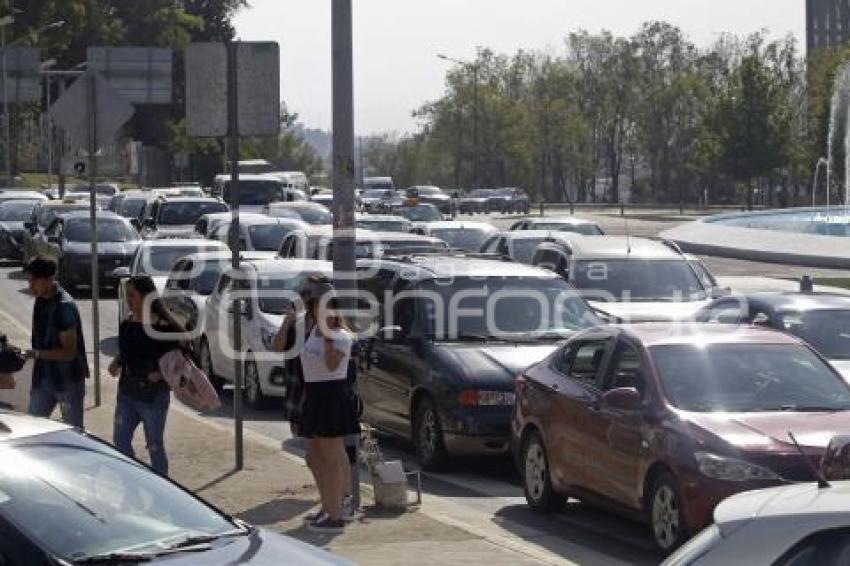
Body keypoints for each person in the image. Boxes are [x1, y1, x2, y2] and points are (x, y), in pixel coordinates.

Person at [273, 277, 358, 533]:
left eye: (328, 308)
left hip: (331, 398)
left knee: (332, 458)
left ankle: (336, 514)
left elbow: (332, 365)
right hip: (314, 396)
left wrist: (329, 333)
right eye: (318, 308)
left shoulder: (341, 336)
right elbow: (286, 351)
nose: (323, 314)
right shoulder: (312, 331)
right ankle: (327, 506)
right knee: (314, 456)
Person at [109, 275, 182, 476]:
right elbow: (127, 353)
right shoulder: (127, 325)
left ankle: (162, 488)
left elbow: (180, 359)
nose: (128, 301)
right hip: (127, 393)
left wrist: (160, 374)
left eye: (132, 295)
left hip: (153, 397)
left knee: (154, 446)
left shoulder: (163, 327)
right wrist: (116, 362)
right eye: (127, 296)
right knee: (120, 441)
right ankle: (136, 481)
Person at [24, 257, 88, 428]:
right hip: (43, 379)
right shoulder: (40, 299)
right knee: (31, 430)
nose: (30, 286)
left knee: (74, 435)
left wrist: (36, 354)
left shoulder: (64, 306)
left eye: (33, 281)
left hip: (67, 382)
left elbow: (69, 352)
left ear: (47, 279)